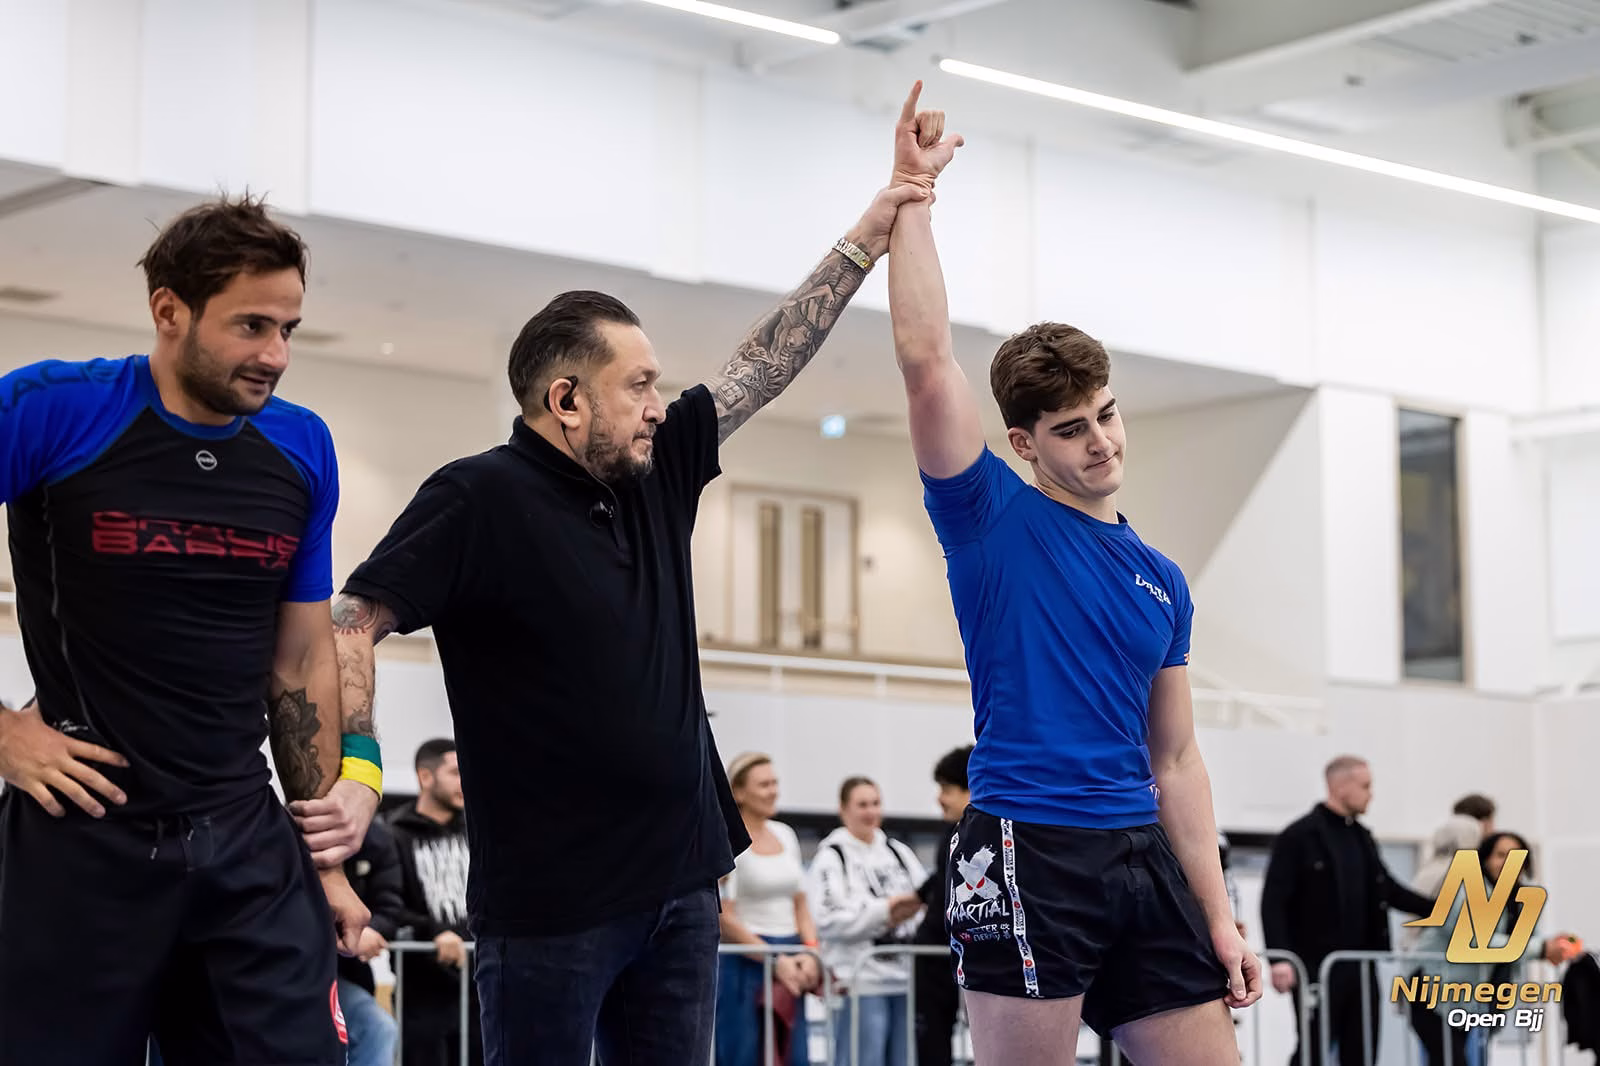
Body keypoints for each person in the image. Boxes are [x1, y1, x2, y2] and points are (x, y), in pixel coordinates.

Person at [327, 149, 934, 1062]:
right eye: (639, 386)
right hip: (551, 908)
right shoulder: (476, 498)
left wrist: (869, 235)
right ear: (567, 399)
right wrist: (361, 768)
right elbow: (351, 621)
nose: (659, 405)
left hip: (682, 888)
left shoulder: (656, 474)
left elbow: (763, 364)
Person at [880, 83, 1261, 1065]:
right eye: (1070, 429)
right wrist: (914, 197)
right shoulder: (988, 518)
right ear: (1024, 443)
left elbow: (1176, 760)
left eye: (1107, 414)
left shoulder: (1162, 579)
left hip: (1141, 854)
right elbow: (926, 360)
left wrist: (1219, 917)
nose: (1100, 442)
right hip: (1027, 844)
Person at [0, 194, 373, 1066]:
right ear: (169, 310)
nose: (276, 354)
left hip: (242, 837)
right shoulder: (51, 408)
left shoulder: (301, 447)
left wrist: (324, 864)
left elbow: (300, 659)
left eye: (288, 328)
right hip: (81, 833)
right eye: (251, 326)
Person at [1260, 755, 1434, 1066]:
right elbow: (1274, 901)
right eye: (1365, 786)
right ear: (1340, 787)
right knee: (1313, 1050)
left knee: (1362, 1051)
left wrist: (1442, 909)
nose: (1371, 794)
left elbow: (1388, 889)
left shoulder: (1362, 837)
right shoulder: (1300, 836)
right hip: (1317, 966)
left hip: (1362, 966)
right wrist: (1280, 959)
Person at [1405, 831, 1578, 1066]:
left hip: (1470, 997)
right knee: (1451, 1060)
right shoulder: (1467, 889)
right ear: (1485, 859)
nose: (1508, 862)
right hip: (1430, 990)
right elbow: (1478, 939)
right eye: (1500, 855)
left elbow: (1530, 940)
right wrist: (1541, 948)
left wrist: (1555, 946)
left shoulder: (1523, 896)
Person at [808, 777, 928, 1066]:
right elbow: (829, 920)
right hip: (860, 982)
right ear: (843, 809)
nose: (870, 812)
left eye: (875, 803)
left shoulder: (898, 852)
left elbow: (925, 902)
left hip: (905, 980)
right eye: (862, 805)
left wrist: (902, 912)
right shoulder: (831, 857)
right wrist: (886, 912)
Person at [715, 752, 823, 1066]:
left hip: (791, 959)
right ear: (739, 792)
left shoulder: (785, 834)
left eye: (775, 783)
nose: (773, 791)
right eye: (764, 785)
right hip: (745, 959)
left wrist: (811, 951)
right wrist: (773, 959)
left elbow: (801, 904)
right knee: (743, 1055)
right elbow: (724, 916)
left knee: (795, 1056)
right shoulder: (727, 838)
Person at [387, 738, 481, 1066]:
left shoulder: (477, 832)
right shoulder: (393, 834)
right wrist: (434, 931)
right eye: (455, 772)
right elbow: (388, 906)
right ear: (425, 777)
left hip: (478, 987)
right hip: (422, 991)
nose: (464, 782)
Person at [915, 744, 972, 1066]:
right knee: (932, 1043)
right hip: (938, 959)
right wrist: (918, 896)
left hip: (948, 955)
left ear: (970, 790)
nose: (940, 798)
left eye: (947, 790)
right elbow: (941, 881)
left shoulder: (965, 836)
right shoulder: (953, 834)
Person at [341, 817, 406, 1066]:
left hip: (344, 973)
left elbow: (390, 908)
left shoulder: (377, 838)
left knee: (378, 1028)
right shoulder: (286, 827)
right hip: (289, 969)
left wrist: (360, 932)